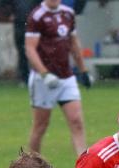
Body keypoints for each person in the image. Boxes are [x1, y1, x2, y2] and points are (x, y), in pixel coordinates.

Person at [24, 0, 91, 156]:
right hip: (43, 80)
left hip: (67, 77)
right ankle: (31, 165)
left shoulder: (68, 13)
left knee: (77, 122)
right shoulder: (37, 16)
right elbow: (30, 48)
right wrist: (44, 73)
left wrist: (83, 70)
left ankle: (84, 165)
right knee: (40, 126)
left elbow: (74, 43)